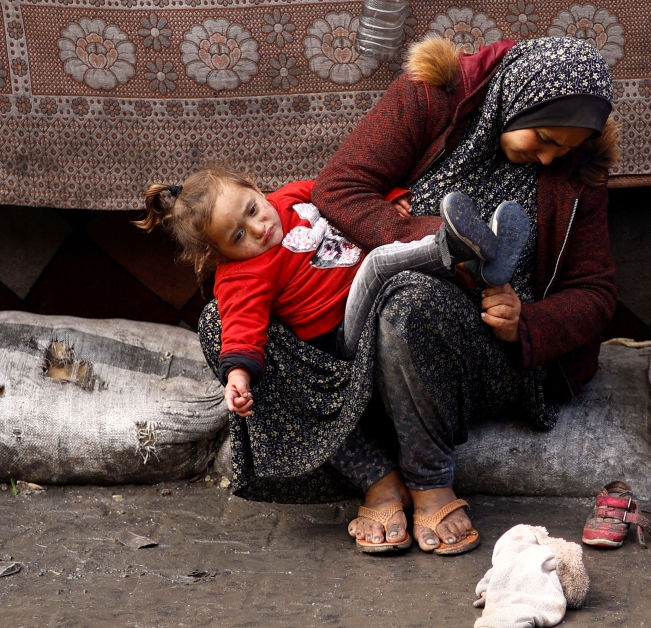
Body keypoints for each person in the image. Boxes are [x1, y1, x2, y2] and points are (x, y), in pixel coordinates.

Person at [302, 35, 619, 554]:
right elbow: (340, 188)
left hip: (478, 347)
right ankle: (376, 475)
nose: (547, 159)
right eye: (542, 137)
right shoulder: (431, 99)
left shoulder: (577, 171)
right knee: (226, 325)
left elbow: (596, 292)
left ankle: (430, 481)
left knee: (408, 301)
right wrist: (434, 241)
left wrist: (528, 323)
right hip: (362, 306)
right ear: (516, 98)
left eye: (564, 148)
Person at [137, 168, 528, 528]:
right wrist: (237, 374)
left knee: (395, 276)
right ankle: (456, 248)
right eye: (238, 235)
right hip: (345, 336)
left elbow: (345, 196)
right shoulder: (241, 275)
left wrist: (387, 202)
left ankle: (475, 261)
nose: (258, 228)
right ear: (220, 255)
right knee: (376, 266)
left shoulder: (293, 196)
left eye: (253, 209)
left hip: (396, 313)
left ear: (256, 187)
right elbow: (240, 328)